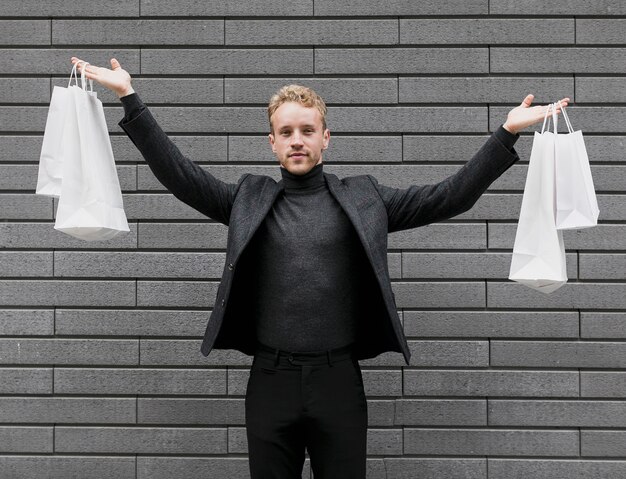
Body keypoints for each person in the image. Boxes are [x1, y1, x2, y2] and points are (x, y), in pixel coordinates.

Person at [70, 56, 569, 479]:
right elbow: (179, 175)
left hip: (338, 382)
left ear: (325, 137)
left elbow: (450, 196)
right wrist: (129, 98)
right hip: (270, 380)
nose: (297, 140)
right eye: (285, 132)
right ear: (272, 142)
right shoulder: (248, 198)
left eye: (307, 131)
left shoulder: (365, 198)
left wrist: (507, 132)